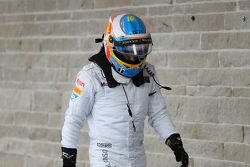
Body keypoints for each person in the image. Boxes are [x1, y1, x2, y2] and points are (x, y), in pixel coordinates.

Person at [61, 13, 189, 167]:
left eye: (140, 49)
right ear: (111, 44)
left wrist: (174, 140)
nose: (135, 56)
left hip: (137, 155)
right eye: (129, 50)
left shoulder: (148, 73)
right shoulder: (90, 76)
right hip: (106, 155)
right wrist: (68, 159)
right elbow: (73, 119)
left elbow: (158, 113)